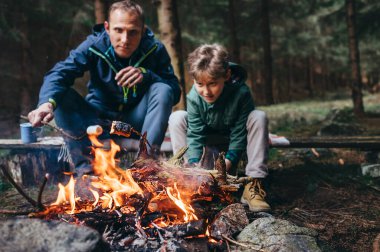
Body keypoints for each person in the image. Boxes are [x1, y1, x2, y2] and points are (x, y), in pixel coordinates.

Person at [28, 0, 180, 174]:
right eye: (118, 30)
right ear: (107, 28)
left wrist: (148, 75)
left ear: (143, 31)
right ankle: (87, 173)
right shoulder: (94, 45)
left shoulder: (155, 49)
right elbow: (60, 74)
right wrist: (46, 104)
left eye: (133, 32)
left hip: (132, 126)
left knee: (163, 89)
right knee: (60, 95)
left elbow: (174, 92)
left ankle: (145, 168)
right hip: (96, 121)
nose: (125, 39)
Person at [168, 44, 270, 212]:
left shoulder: (241, 93)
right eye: (199, 83)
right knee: (177, 117)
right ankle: (187, 180)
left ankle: (253, 184)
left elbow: (239, 133)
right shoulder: (194, 96)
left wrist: (226, 164)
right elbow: (194, 133)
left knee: (258, 117)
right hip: (206, 148)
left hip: (231, 145)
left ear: (227, 75)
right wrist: (197, 169)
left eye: (213, 83)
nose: (206, 91)